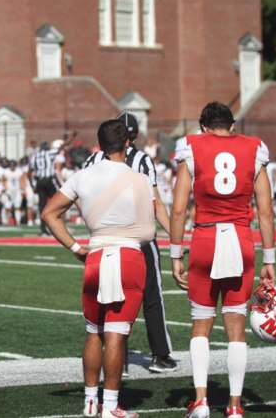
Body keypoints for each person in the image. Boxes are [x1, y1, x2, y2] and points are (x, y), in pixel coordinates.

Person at [42, 119, 155, 418]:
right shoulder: (139, 179)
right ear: (128, 144)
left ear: (100, 144)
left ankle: (91, 400)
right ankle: (111, 405)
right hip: (128, 255)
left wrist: (76, 247)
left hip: (95, 253)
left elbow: (50, 214)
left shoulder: (82, 176)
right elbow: (148, 231)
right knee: (117, 334)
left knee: (94, 331)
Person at [170, 102, 276, 418]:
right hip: (241, 239)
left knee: (201, 322)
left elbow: (178, 209)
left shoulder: (191, 146)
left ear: (203, 127)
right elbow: (266, 210)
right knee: (236, 327)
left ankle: (201, 401)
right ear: (232, 126)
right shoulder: (254, 147)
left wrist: (176, 253)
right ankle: (234, 406)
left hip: (205, 238)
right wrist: (269, 258)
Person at [83, 112, 177, 374]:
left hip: (104, 238)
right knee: (150, 296)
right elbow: (155, 203)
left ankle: (117, 360)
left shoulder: (93, 160)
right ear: (130, 138)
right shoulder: (141, 160)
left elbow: (81, 195)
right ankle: (160, 354)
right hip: (138, 237)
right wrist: (175, 235)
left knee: (109, 298)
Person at [30, 140, 64, 235]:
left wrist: (33, 184)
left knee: (42, 205)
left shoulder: (35, 156)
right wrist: (71, 138)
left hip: (40, 181)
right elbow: (61, 147)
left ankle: (43, 229)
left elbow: (30, 171)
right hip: (48, 180)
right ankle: (57, 225)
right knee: (57, 202)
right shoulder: (49, 153)